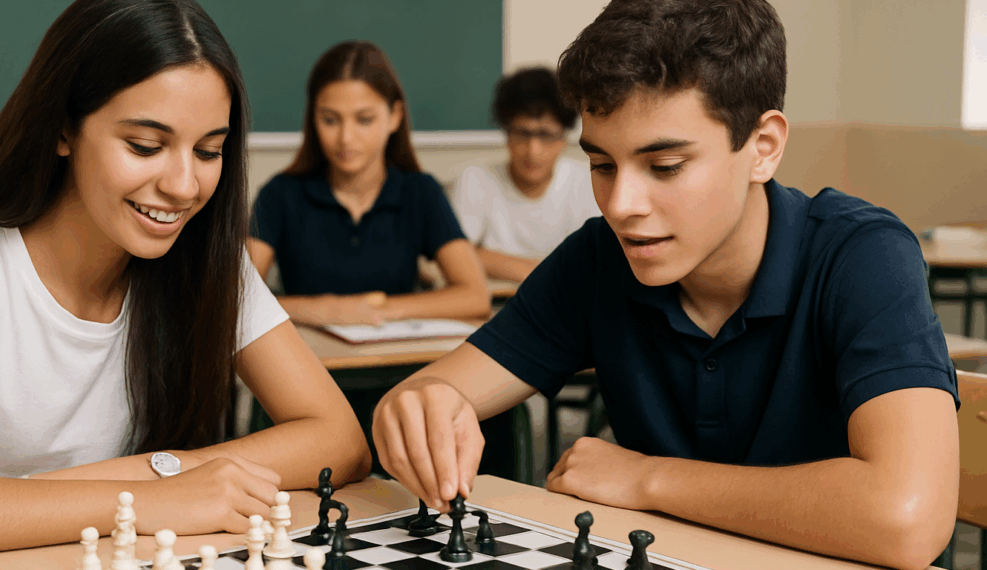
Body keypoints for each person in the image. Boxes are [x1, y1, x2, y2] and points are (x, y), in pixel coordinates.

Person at [371, 1, 959, 569]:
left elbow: (908, 519)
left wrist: (647, 478)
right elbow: (430, 393)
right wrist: (417, 408)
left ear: (763, 147)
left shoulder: (862, 256)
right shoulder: (598, 261)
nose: (621, 206)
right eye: (602, 165)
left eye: (665, 167)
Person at [0, 0, 369, 562]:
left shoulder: (203, 258)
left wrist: (163, 476)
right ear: (63, 128)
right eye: (145, 146)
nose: (184, 185)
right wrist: (144, 498)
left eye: (209, 150)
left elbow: (339, 438)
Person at [246, 40, 490, 327]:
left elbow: (475, 296)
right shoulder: (280, 194)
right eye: (329, 120)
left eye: (364, 120)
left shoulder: (420, 191)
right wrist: (326, 310)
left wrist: (377, 310)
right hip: (310, 360)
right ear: (313, 119)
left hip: (394, 359)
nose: (346, 138)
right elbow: (236, 299)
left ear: (394, 116)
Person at [451, 67, 600, 282]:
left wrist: (485, 257)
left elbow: (597, 260)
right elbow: (456, 257)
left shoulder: (586, 182)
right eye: (522, 133)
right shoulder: (474, 180)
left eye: (546, 135)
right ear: (506, 134)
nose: (533, 150)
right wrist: (549, 271)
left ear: (563, 140)